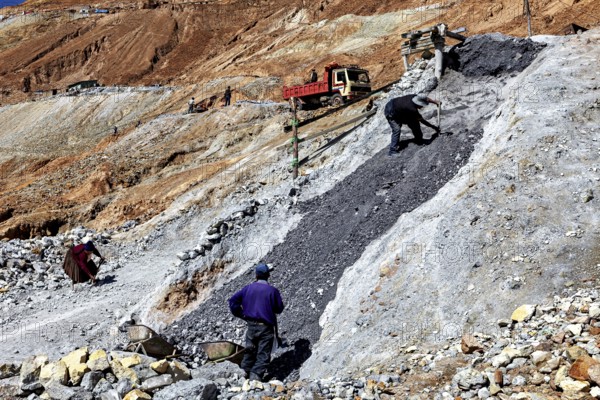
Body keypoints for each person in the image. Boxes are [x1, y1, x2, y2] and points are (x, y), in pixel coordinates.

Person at [229, 263, 284, 382]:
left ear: (256, 275)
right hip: (265, 327)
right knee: (263, 354)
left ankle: (243, 375)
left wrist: (241, 314)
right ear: (268, 275)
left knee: (250, 350)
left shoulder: (248, 288)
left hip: (251, 325)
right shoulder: (272, 291)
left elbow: (233, 301)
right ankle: (255, 378)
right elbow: (279, 308)